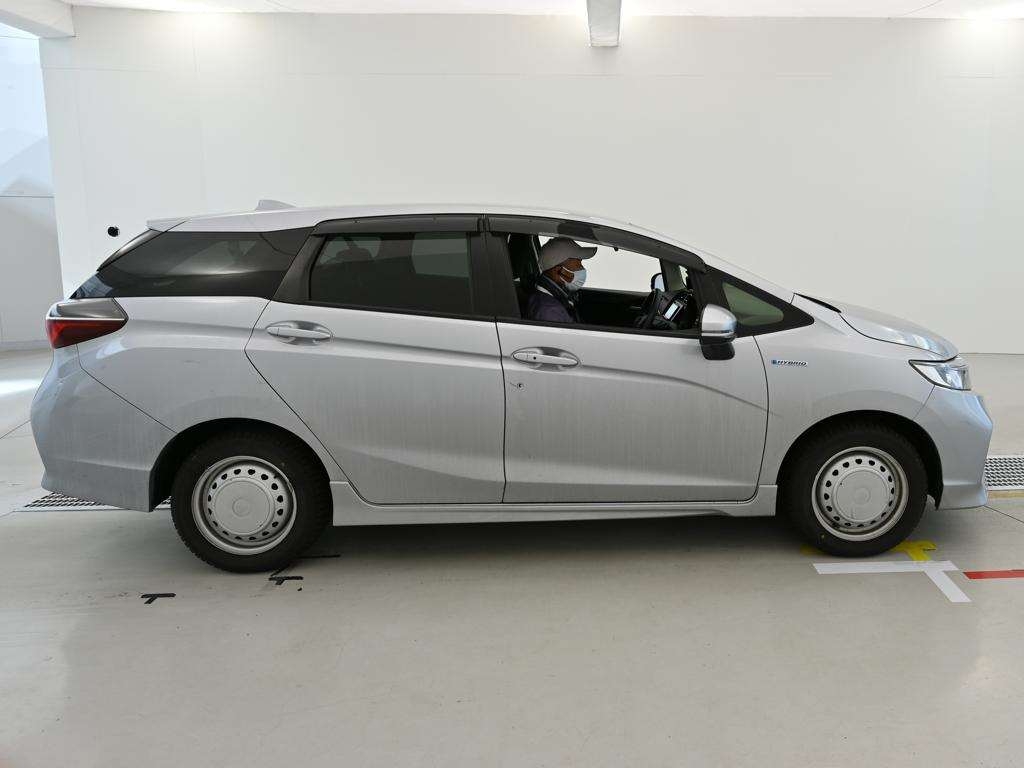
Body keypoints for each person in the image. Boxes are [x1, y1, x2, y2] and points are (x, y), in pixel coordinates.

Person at [525, 237, 596, 323]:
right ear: (558, 270)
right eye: (578, 265)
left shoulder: (555, 296)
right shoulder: (550, 312)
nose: (582, 269)